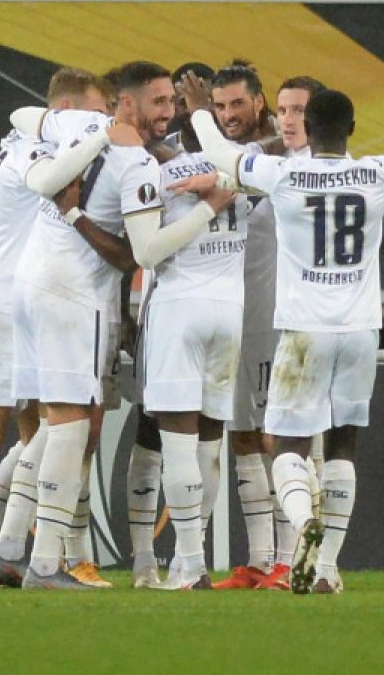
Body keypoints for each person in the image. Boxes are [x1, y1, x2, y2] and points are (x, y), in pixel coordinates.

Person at [178, 53, 384, 595]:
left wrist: (202, 111)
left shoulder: (285, 174)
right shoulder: (375, 174)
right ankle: (326, 572)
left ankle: (303, 527)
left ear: (306, 129)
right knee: (343, 445)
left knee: (285, 447)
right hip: (362, 330)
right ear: (351, 130)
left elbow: (223, 156)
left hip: (302, 331)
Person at [1, 61, 228, 589]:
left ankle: (12, 546)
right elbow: (141, 255)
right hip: (72, 296)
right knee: (71, 424)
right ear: (124, 105)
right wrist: (208, 210)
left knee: (62, 422)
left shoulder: (79, 124)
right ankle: (44, 564)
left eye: (172, 102)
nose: (167, 112)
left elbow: (23, 113)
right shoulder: (135, 166)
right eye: (157, 102)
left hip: (33, 281)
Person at [0, 68, 108, 587]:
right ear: (67, 111)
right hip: (10, 299)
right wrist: (104, 133)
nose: (97, 122)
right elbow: (46, 182)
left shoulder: (14, 139)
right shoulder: (32, 150)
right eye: (94, 112)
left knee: (4, 431)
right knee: (38, 427)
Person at [137, 67, 243, 590]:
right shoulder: (243, 166)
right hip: (232, 312)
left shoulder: (156, 168)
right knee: (209, 442)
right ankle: (189, 559)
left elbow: (146, 248)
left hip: (181, 304)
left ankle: (189, 563)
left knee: (177, 443)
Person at [202, 60, 289, 590]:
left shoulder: (288, 155)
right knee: (242, 435)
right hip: (233, 316)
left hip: (276, 318)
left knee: (280, 435)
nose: (229, 115)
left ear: (260, 103)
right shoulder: (226, 158)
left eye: (238, 104)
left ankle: (295, 555)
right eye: (219, 107)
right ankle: (261, 560)